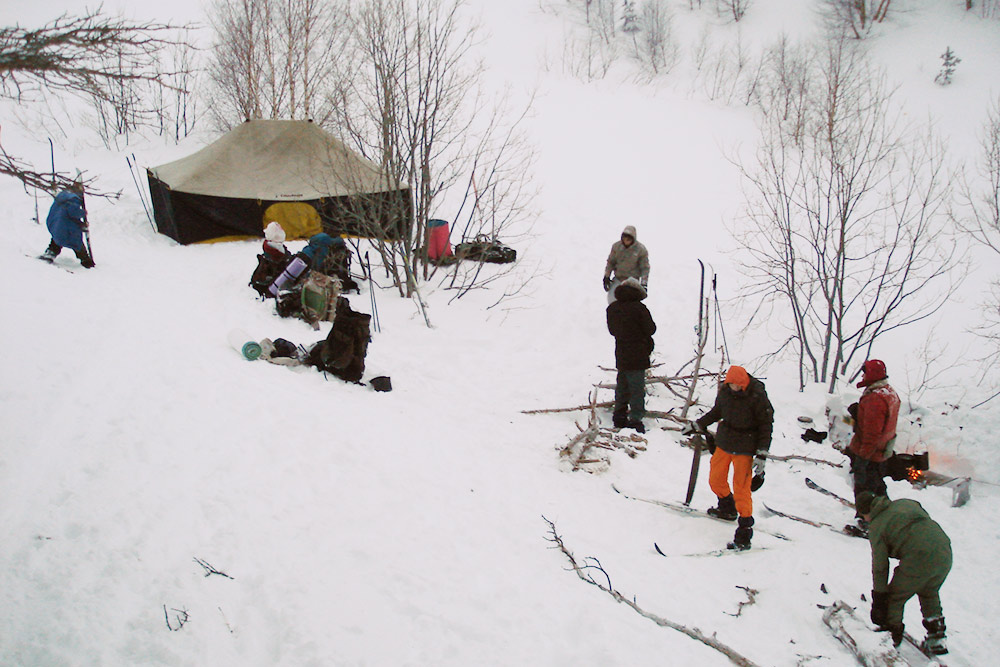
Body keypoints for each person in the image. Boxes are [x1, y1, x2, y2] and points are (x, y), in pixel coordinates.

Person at [684, 365, 773, 551]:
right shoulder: (725, 393)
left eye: (737, 385)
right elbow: (717, 412)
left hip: (746, 447)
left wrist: (762, 453)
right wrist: (698, 424)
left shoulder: (757, 397)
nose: (734, 387)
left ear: (744, 383)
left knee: (741, 489)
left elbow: (766, 425)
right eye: (731, 384)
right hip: (725, 442)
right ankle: (727, 508)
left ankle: (744, 531)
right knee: (715, 480)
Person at [857, 491, 952, 655]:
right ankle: (937, 637)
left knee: (895, 596)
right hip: (944, 550)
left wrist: (879, 597)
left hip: (918, 556)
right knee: (928, 591)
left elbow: (880, 566)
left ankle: (891, 635)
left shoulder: (877, 525)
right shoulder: (905, 503)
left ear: (867, 512)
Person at [848, 359, 901, 520]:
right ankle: (888, 517)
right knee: (877, 487)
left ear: (872, 374)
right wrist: (859, 414)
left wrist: (862, 459)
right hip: (881, 453)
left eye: (865, 372)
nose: (863, 376)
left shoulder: (875, 399)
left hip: (870, 453)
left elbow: (872, 433)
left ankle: (866, 521)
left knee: (865, 491)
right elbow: (882, 423)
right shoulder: (888, 392)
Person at [606, 277, 656, 433]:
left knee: (622, 385)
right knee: (637, 388)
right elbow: (651, 329)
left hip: (621, 352)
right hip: (639, 352)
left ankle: (619, 415)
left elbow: (613, 331)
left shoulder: (612, 308)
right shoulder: (640, 308)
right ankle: (635, 419)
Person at [40, 183, 94, 268]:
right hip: (67, 228)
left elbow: (66, 214)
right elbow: (73, 212)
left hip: (56, 223)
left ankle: (50, 252)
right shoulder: (73, 199)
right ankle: (86, 261)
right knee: (77, 243)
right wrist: (83, 213)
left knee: (57, 238)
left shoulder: (62, 196)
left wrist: (80, 224)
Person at [603, 225, 649, 304]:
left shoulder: (641, 250)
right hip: (618, 278)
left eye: (628, 239)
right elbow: (611, 262)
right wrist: (606, 276)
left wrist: (644, 284)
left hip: (632, 281)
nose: (626, 241)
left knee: (630, 303)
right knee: (612, 301)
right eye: (624, 239)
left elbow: (644, 268)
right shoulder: (616, 247)